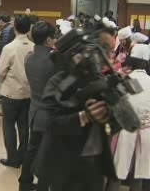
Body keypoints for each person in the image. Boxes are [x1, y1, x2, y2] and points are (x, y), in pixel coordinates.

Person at [33, 22, 119, 191]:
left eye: (111, 50)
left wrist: (110, 114)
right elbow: (50, 123)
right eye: (103, 48)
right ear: (86, 47)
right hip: (63, 164)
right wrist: (84, 116)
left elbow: (116, 125)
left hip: (95, 166)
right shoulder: (60, 81)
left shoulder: (104, 83)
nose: (109, 56)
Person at [105, 44, 150, 191]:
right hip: (147, 133)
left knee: (117, 173)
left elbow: (114, 105)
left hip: (125, 131)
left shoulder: (126, 79)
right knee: (139, 174)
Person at [18, 21, 56, 191]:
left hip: (35, 110)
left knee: (32, 149)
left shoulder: (29, 58)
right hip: (50, 114)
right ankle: (43, 185)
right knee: (48, 153)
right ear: (49, 40)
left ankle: (24, 183)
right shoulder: (54, 60)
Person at [0, 15, 34, 168]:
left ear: (15, 27)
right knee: (24, 126)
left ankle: (12, 158)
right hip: (28, 93)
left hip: (11, 93)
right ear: (29, 28)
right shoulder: (33, 47)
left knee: (9, 126)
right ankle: (23, 156)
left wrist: (5, 80)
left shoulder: (9, 48)